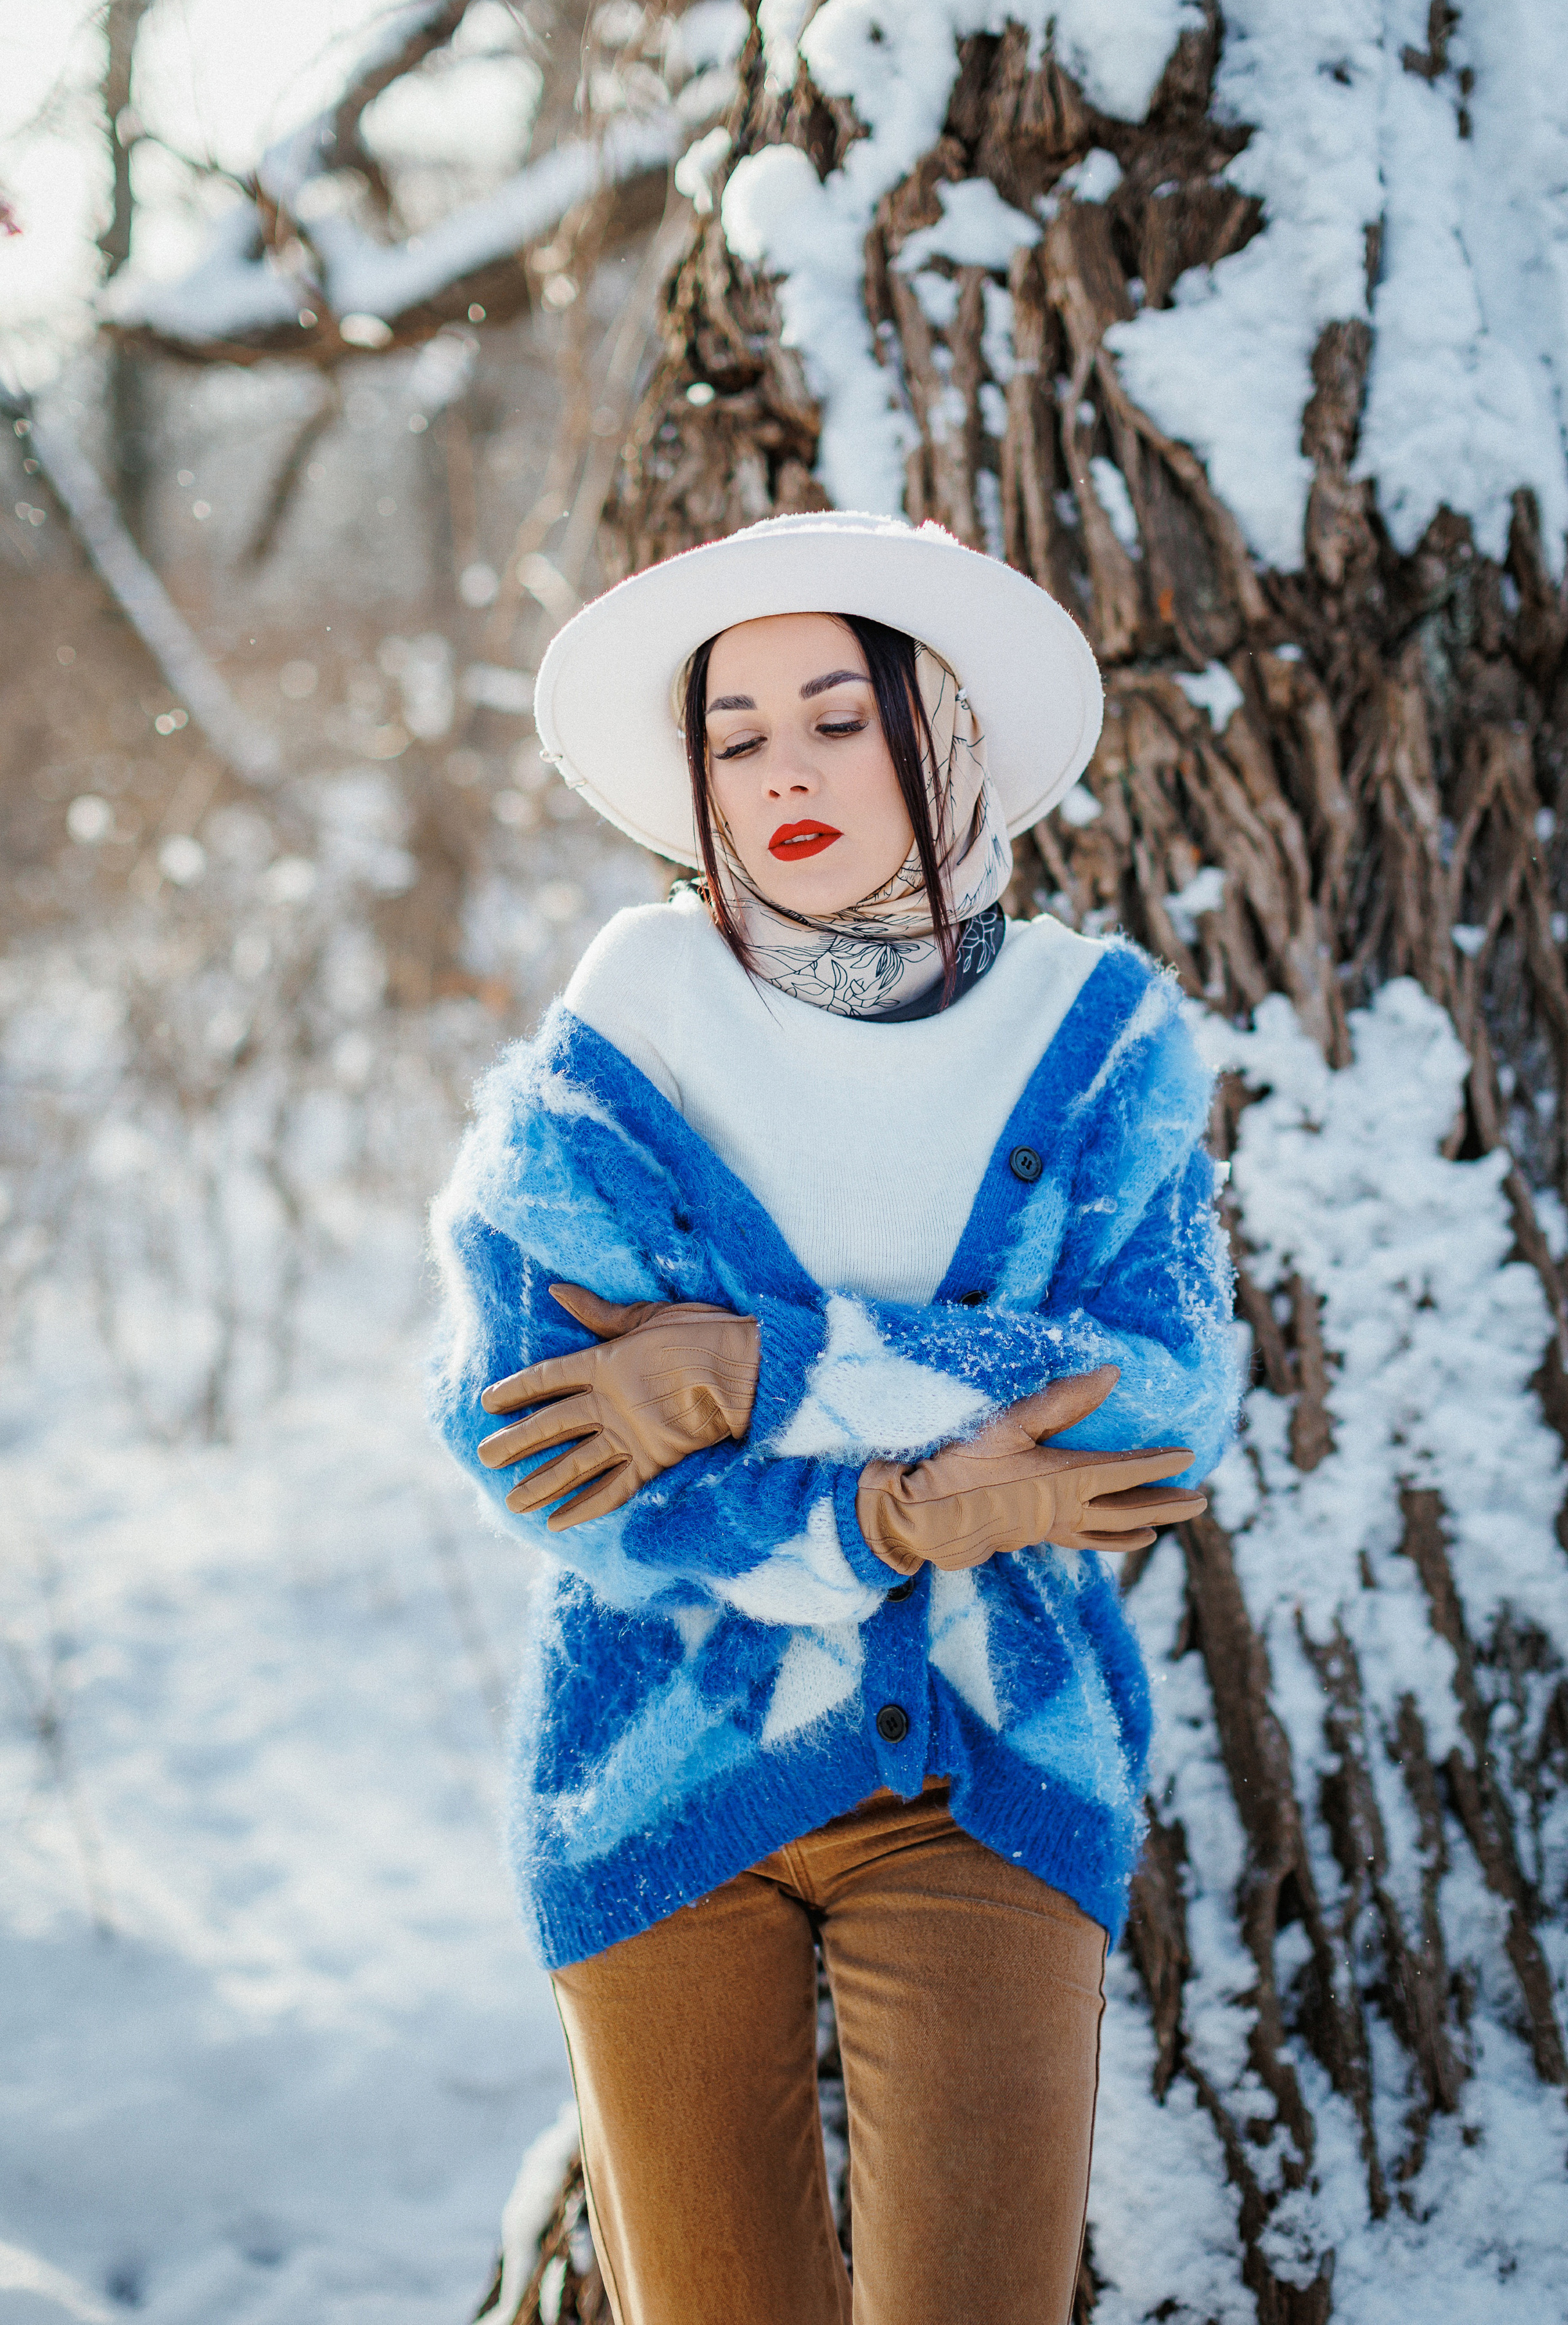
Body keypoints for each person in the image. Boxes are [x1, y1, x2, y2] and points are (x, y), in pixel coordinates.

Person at [428, 510, 1238, 2325]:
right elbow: (532, 1440)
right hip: (654, 1773)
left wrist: (758, 1372)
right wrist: (892, 1515)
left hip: (991, 1768)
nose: (783, 773)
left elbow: (1168, 1399)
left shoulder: (1096, 1034)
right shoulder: (626, 1031)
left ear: (942, 733)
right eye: (735, 740)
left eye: (836, 718)